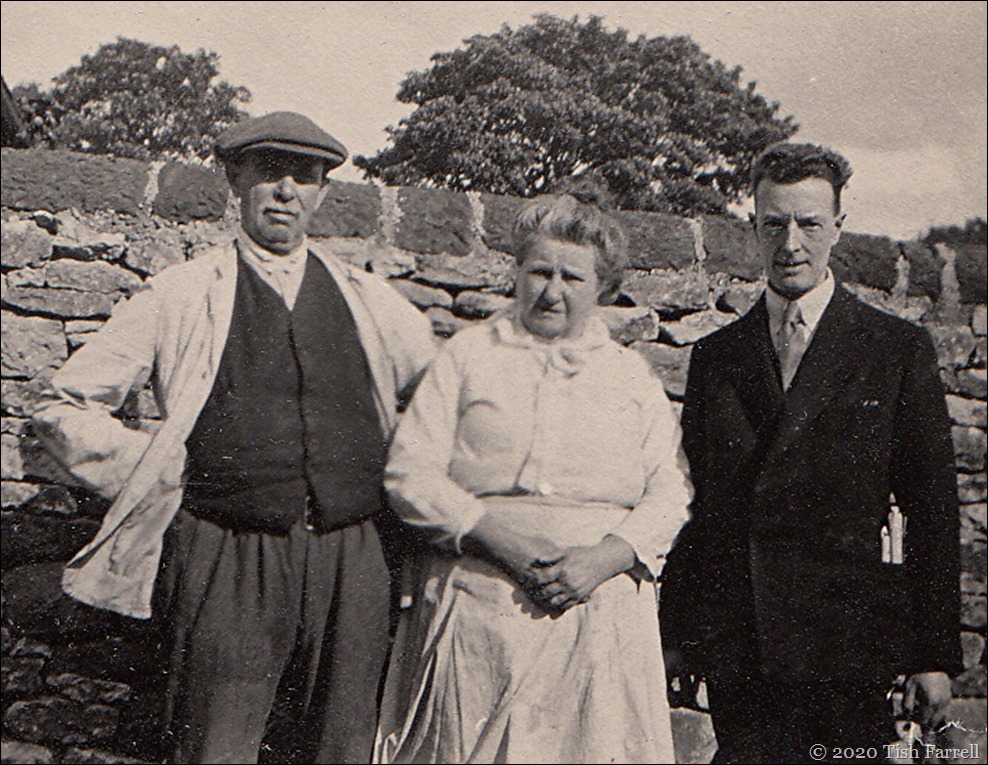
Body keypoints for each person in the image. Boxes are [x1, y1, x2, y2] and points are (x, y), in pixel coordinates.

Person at [33, 111, 436, 764]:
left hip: (357, 556)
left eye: (304, 176)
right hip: (228, 554)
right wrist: (156, 468)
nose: (285, 190)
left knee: (346, 744)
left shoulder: (368, 299)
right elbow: (62, 404)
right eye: (269, 172)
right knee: (215, 745)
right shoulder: (183, 293)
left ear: (322, 193)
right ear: (236, 181)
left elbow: (442, 398)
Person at [660, 142, 962, 764]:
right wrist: (679, 636)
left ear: (838, 229)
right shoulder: (717, 357)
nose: (790, 242)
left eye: (809, 224)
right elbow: (697, 509)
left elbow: (933, 512)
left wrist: (933, 655)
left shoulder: (894, 350)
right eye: (774, 224)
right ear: (753, 227)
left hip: (845, 648)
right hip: (744, 643)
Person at [372, 191, 693, 764]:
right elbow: (409, 472)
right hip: (480, 606)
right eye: (538, 271)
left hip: (595, 615)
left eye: (572, 277)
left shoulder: (630, 378)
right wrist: (498, 539)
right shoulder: (468, 358)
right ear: (515, 272)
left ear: (603, 288)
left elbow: (670, 492)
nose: (552, 291)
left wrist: (604, 559)